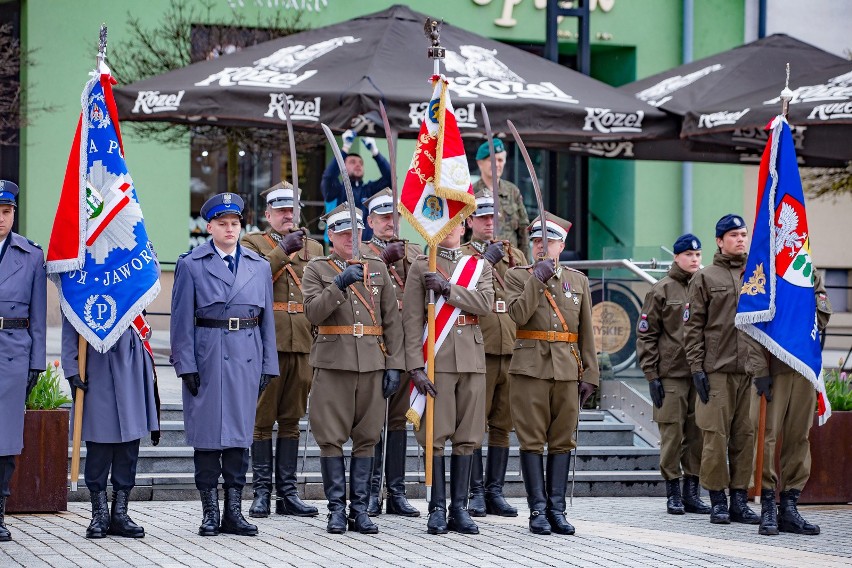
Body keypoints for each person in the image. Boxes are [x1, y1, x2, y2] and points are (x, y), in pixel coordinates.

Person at [170, 192, 278, 537]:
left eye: (235, 223)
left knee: (238, 438)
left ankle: (234, 512)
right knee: (207, 439)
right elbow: (180, 320)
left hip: (246, 356)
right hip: (208, 356)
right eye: (222, 223)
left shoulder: (258, 266)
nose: (230, 229)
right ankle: (209, 513)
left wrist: (268, 365)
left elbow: (267, 323)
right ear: (209, 227)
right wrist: (185, 364)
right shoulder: (191, 265)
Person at [301, 203, 404, 535]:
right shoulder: (317, 269)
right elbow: (313, 314)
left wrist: (395, 365)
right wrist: (339, 284)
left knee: (367, 438)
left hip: (373, 363)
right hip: (333, 364)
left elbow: (393, 321)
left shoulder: (377, 266)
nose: (352, 239)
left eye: (357, 233)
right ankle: (335, 509)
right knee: (330, 439)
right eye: (345, 234)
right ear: (332, 236)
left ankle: (359, 510)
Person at [504, 213, 599, 536]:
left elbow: (586, 331)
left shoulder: (578, 281)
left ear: (562, 245)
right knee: (532, 441)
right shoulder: (518, 276)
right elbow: (516, 316)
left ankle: (557, 509)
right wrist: (537, 280)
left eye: (548, 242)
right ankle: (538, 510)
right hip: (530, 369)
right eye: (535, 242)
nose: (541, 248)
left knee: (562, 441)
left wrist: (591, 375)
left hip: (567, 369)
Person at [402, 221, 494, 536]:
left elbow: (485, 305)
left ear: (465, 227)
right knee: (435, 436)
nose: (450, 229)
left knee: (468, 436)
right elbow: (412, 320)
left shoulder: (477, 264)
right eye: (444, 224)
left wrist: (448, 290)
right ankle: (437, 508)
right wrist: (414, 367)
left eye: (455, 223)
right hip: (436, 360)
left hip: (471, 359)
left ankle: (460, 508)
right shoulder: (421, 265)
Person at [241, 183, 323, 519]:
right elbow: (248, 281)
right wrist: (281, 251)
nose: (288, 215)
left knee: (291, 420)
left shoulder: (315, 247)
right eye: (280, 210)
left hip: (303, 342)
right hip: (266, 343)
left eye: (292, 209)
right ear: (268, 214)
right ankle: (261, 492)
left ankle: (287, 494)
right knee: (262, 421)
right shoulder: (252, 243)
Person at [683, 214, 759, 526]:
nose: (740, 239)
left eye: (743, 234)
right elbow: (692, 327)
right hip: (716, 371)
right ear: (719, 241)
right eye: (733, 235)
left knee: (745, 436)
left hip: (751, 371)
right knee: (715, 437)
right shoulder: (705, 277)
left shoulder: (757, 273)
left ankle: (740, 499)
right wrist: (697, 368)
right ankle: (717, 501)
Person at [747, 271, 832, 537]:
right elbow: (748, 324)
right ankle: (769, 505)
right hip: (773, 369)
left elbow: (822, 316)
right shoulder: (762, 267)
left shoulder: (807, 271)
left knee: (799, 437)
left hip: (804, 366)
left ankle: (790, 506)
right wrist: (760, 371)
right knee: (767, 436)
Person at [461, 188, 527, 519]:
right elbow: (463, 291)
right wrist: (485, 262)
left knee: (503, 423)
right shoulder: (462, 256)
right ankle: (474, 491)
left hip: (511, 347)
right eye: (484, 217)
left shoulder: (514, 256)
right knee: (474, 423)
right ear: (470, 220)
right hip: (478, 347)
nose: (490, 223)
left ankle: (494, 491)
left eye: (494, 217)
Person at [635, 233, 711, 516]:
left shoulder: (706, 286)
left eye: (698, 254)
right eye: (689, 254)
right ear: (677, 257)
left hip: (701, 374)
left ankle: (692, 491)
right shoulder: (661, 290)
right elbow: (646, 335)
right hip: (672, 375)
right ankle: (673, 491)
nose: (694, 259)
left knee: (698, 434)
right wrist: (652, 375)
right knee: (672, 434)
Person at [359, 188, 422, 518]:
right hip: (370, 342)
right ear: (369, 221)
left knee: (397, 420)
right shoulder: (359, 250)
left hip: (403, 345)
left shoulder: (412, 251)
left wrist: (405, 258)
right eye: (382, 217)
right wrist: (384, 259)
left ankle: (395, 491)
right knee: (372, 419)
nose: (389, 223)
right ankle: (371, 490)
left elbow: (424, 288)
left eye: (393, 217)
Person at [0, 181, 46, 542]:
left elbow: (39, 315)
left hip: (13, 350)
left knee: (5, 437)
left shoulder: (30, 255)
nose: (1, 218)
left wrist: (37, 362)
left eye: (6, 211)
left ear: (14, 212)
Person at [320, 129, 392, 241]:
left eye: (361, 163)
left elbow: (390, 179)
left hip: (367, 247)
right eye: (353, 162)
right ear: (343, 165)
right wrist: (345, 149)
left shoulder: (370, 190)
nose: (358, 165)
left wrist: (375, 152)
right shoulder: (336, 189)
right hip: (340, 247)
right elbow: (328, 177)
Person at [473, 139, 529, 253]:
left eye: (500, 160)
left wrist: (524, 267)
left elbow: (523, 232)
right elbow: (462, 232)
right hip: (480, 262)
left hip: (511, 261)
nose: (497, 165)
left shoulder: (512, 191)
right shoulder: (471, 193)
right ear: (480, 163)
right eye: (491, 160)